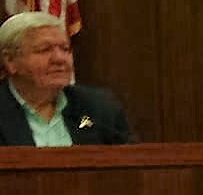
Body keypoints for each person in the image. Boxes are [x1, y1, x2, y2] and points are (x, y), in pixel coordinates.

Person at [0, 11, 135, 146]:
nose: (59, 59)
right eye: (44, 50)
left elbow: (130, 160)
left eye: (65, 49)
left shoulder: (97, 107)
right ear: (10, 60)